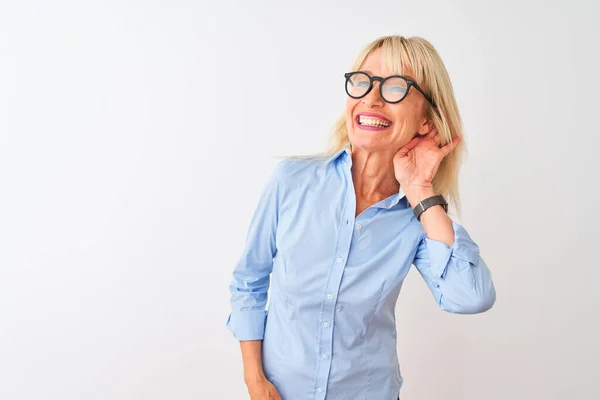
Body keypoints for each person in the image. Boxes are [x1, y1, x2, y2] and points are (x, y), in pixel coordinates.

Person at [225, 35, 496, 400]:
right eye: (363, 81)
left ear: (426, 121)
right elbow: (249, 282)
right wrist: (254, 380)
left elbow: (470, 297)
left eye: (397, 86)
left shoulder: (418, 220)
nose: (371, 97)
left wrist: (420, 191)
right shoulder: (291, 181)